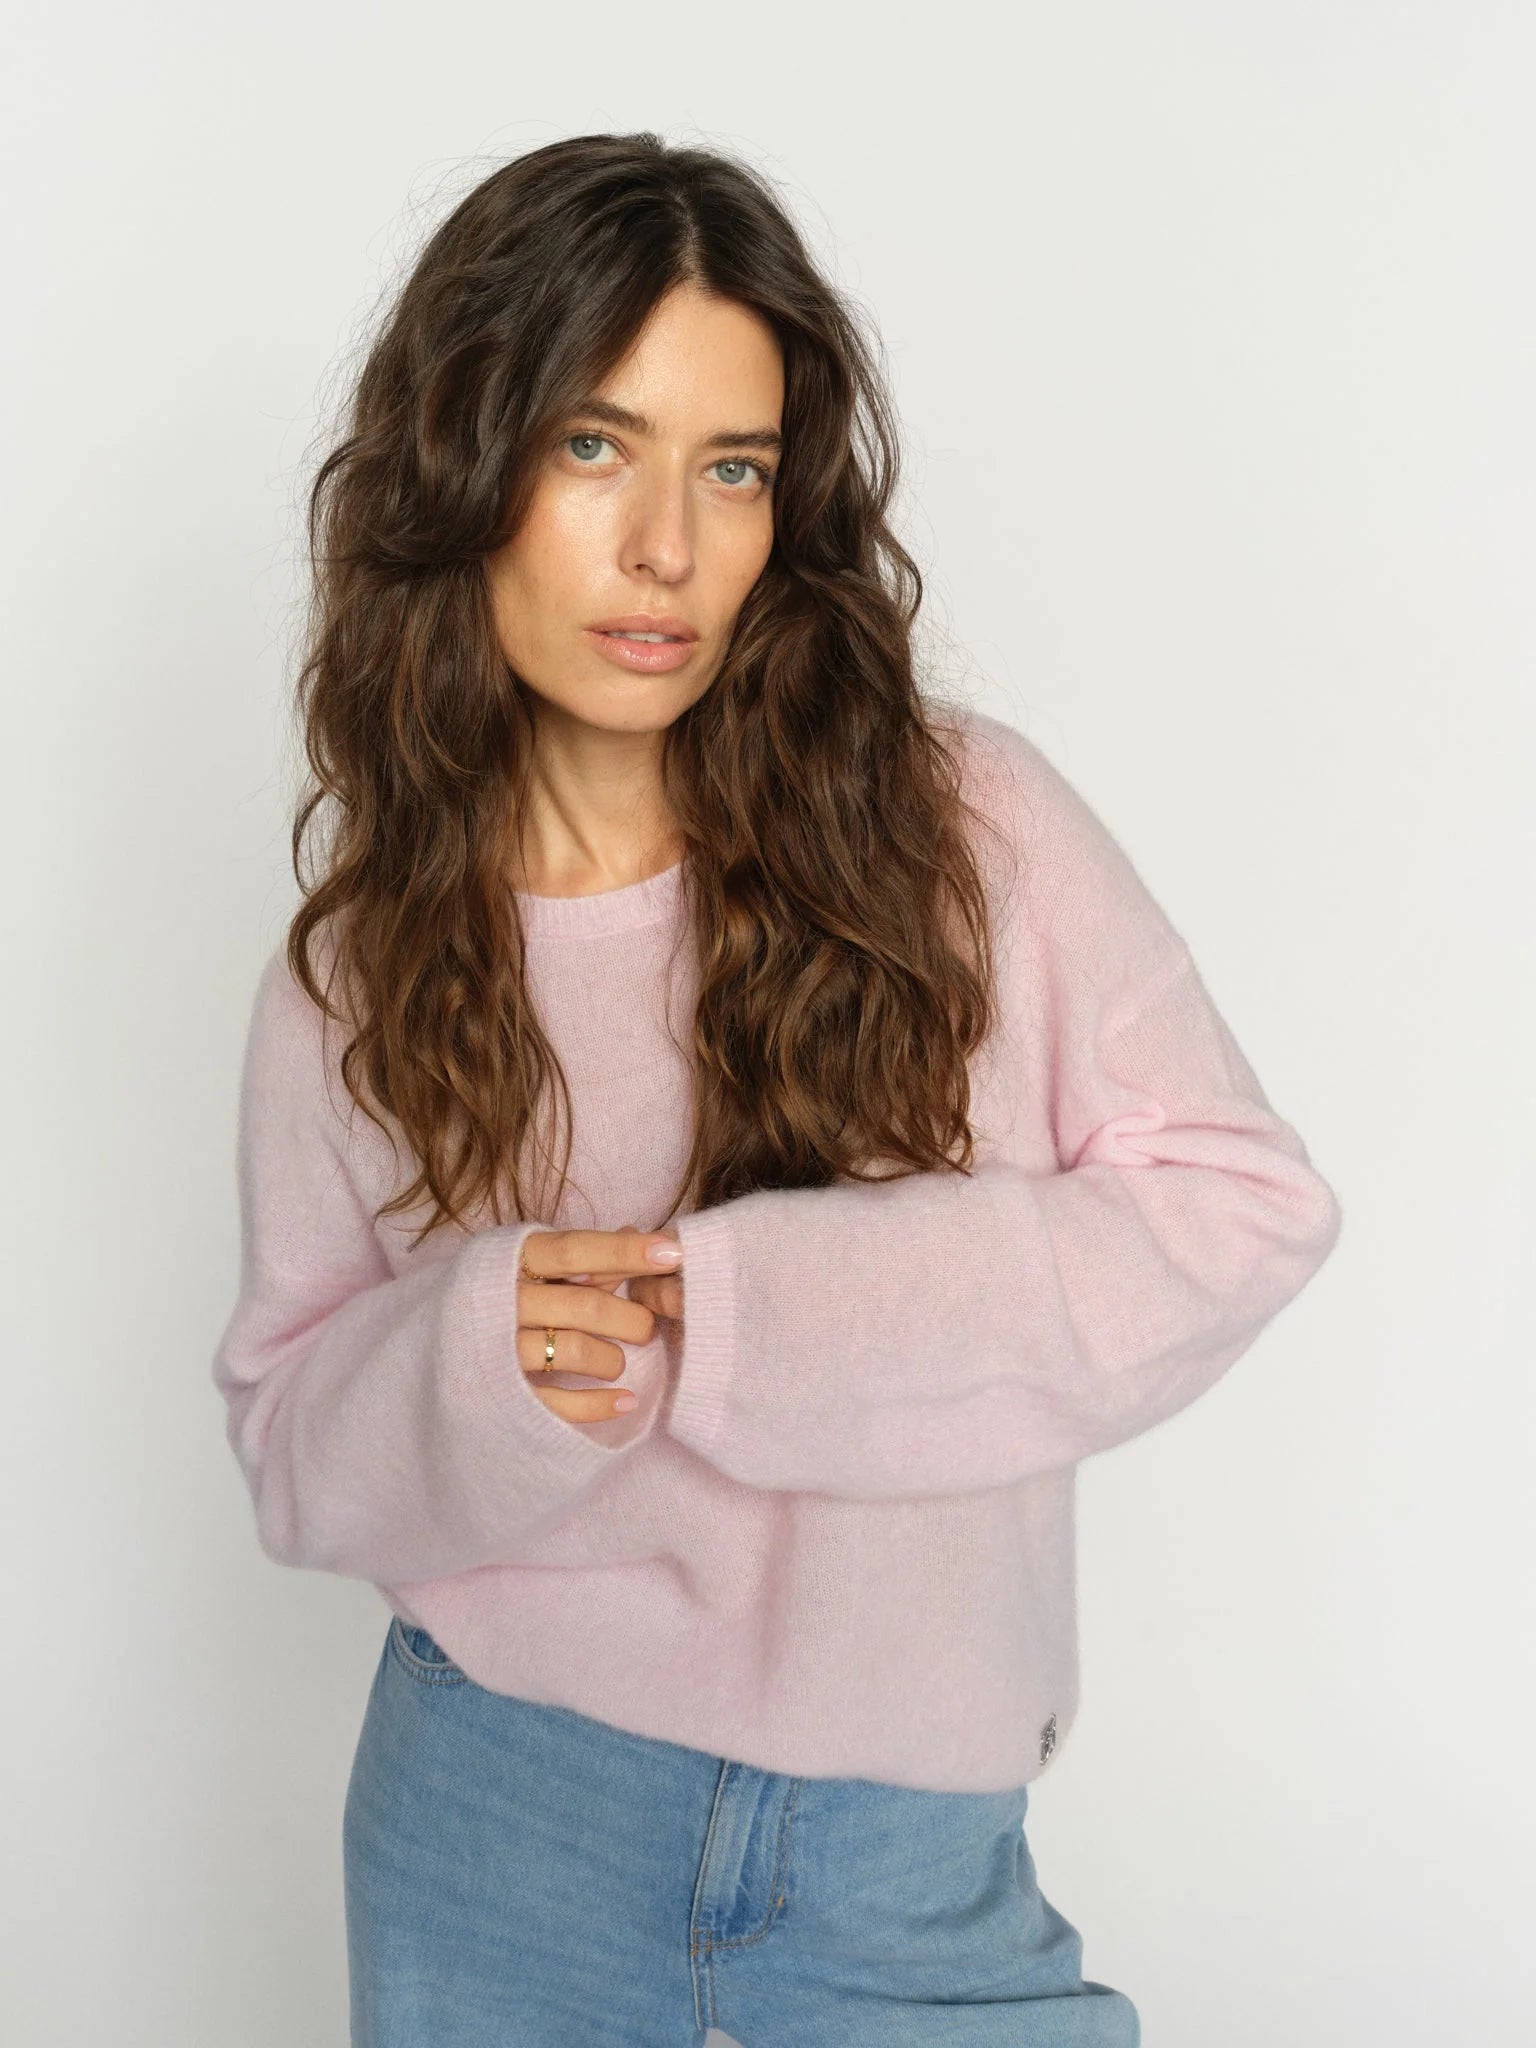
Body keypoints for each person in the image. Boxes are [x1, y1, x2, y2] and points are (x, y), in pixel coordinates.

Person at [211, 131, 1342, 2047]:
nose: (669, 547)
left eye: (730, 468)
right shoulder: (357, 970)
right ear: (462, 468)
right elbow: (289, 1441)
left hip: (908, 1856)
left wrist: (753, 1309)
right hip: (497, 1815)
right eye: (595, 446)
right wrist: (481, 1358)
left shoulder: (956, 823)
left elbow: (1244, 1210)